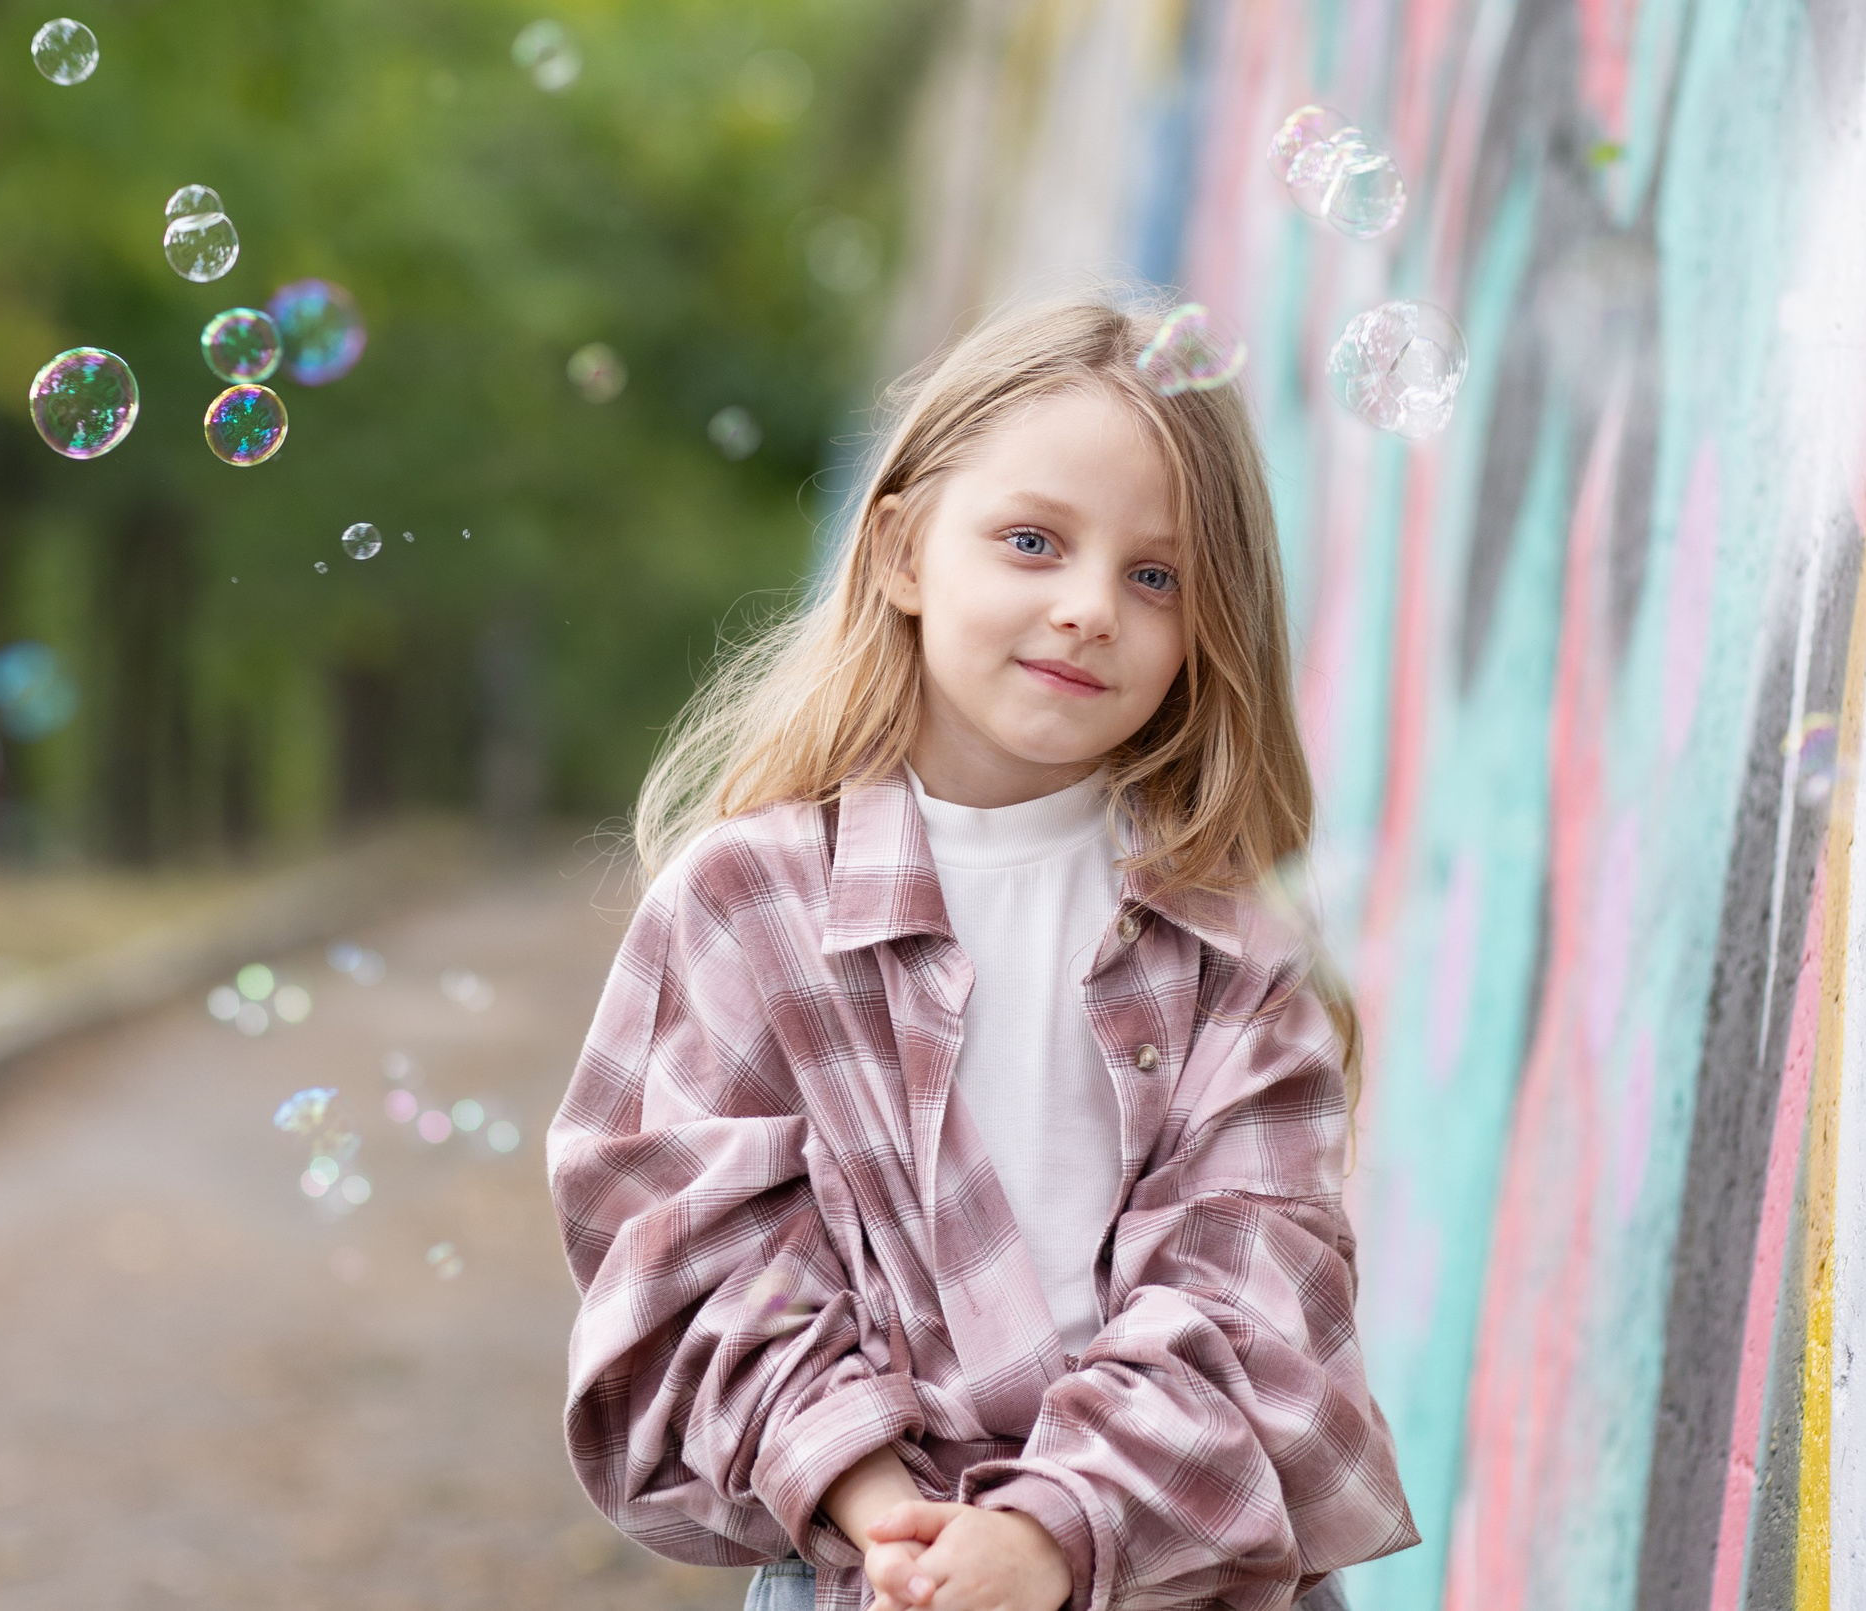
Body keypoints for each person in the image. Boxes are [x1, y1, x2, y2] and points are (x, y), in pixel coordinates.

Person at [549, 299, 1415, 1611]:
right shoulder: (748, 904)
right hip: (872, 1562)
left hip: (1163, 1568)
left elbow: (1252, 1293)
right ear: (901, 547)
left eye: (1154, 576)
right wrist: (881, 1504)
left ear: (1204, 628)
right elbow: (687, 1252)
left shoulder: (1235, 962)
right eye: (1031, 542)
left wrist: (1054, 1530)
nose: (1084, 609)